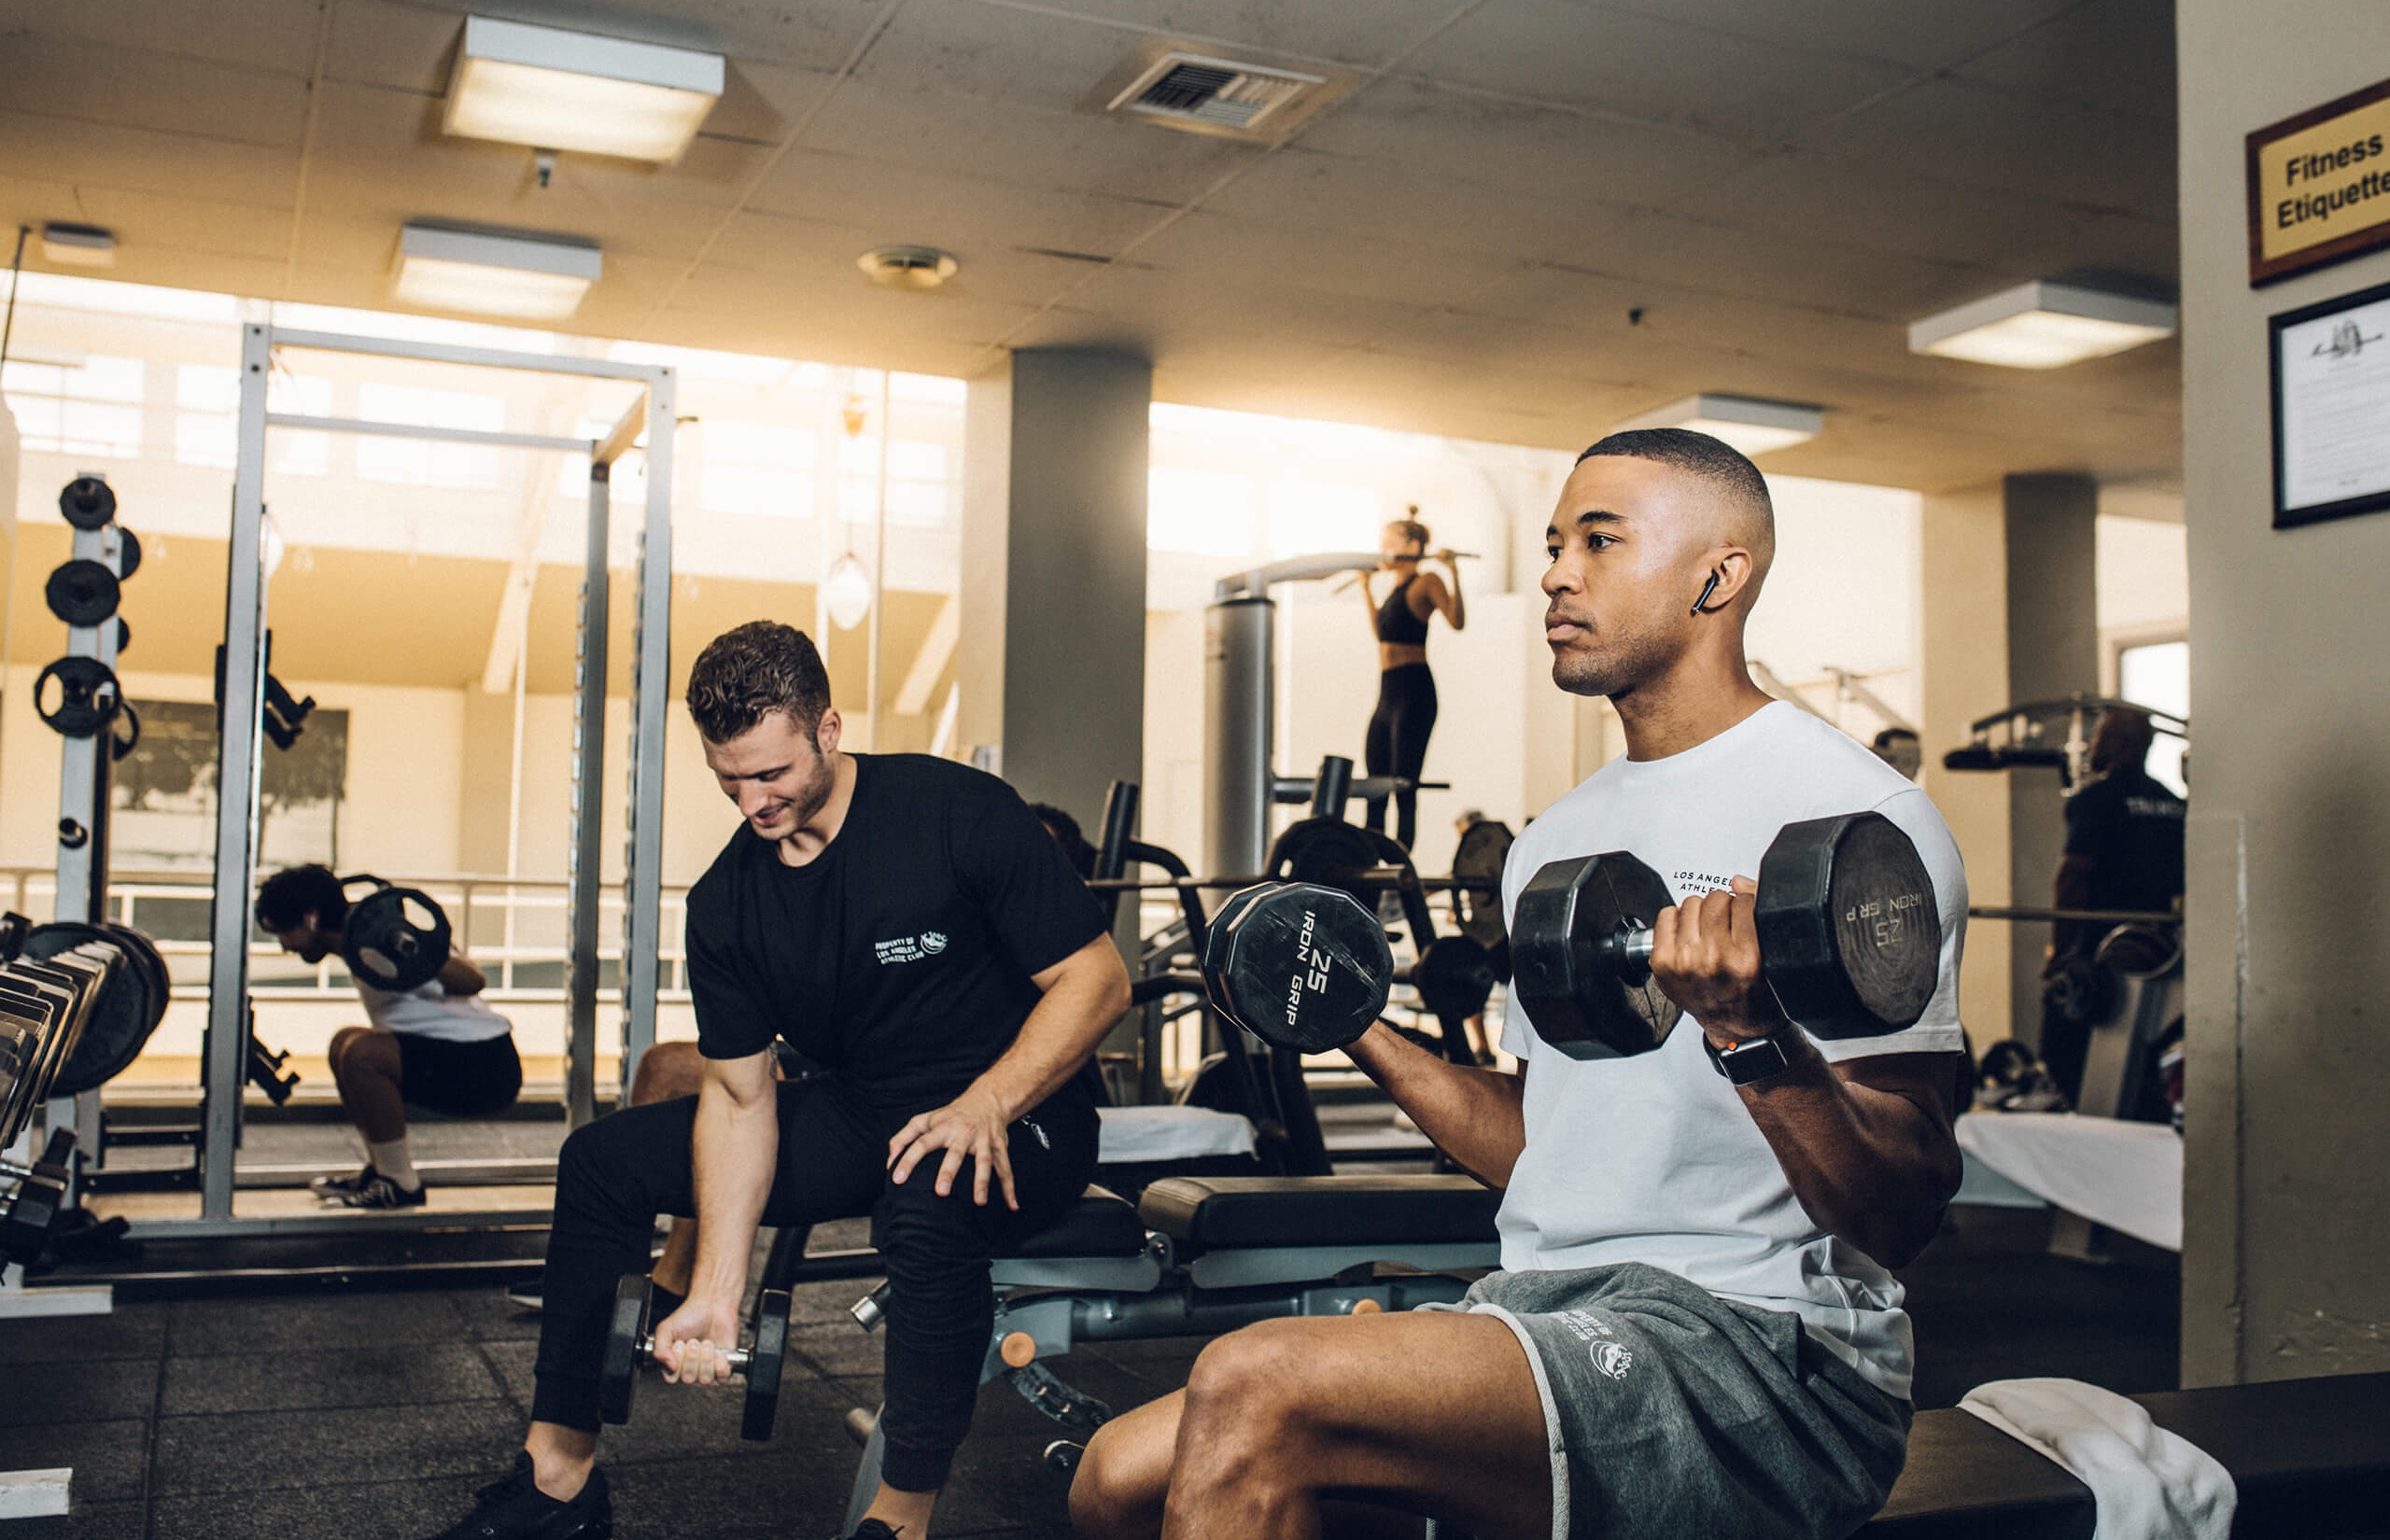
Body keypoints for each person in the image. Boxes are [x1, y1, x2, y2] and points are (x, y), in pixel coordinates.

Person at [1071, 428, 1968, 1540]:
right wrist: (1354, 1021)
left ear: (1718, 576)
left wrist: (1750, 1036)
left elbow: (1903, 1212)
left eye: (1599, 541)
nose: (1554, 575)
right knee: (1116, 1480)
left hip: (1765, 1349)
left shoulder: (1860, 822)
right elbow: (1546, 1149)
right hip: (1549, 1305)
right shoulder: (1558, 838)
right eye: (1552, 546)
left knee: (1255, 1383)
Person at [429, 620, 1130, 1540]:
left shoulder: (955, 810)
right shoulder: (728, 904)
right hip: (866, 1106)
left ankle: (899, 1518)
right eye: (729, 780)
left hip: (1023, 1111)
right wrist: (718, 1290)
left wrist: (985, 1102)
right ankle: (557, 1477)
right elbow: (738, 1099)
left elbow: (1096, 981)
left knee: (927, 1190)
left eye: (771, 774)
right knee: (600, 1162)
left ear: (827, 730)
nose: (753, 802)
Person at [255, 865, 522, 1210]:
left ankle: (400, 1184)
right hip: (445, 1055)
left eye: (284, 932)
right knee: (343, 1043)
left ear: (310, 918)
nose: (284, 946)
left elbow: (473, 981)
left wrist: (415, 949)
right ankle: (383, 1171)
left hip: (484, 1065)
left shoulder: (384, 935)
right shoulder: (356, 938)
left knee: (361, 1054)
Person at [2038, 706, 2186, 1102]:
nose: (2091, 746)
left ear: (2119, 744)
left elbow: (2073, 877)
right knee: (2146, 1062)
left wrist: (2058, 953)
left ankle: (2074, 1120)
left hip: (2101, 953)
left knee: (2063, 1047)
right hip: (2159, 955)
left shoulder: (2095, 800)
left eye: (2099, 737)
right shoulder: (2174, 804)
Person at [1357, 510, 1465, 850]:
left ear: (1413, 547)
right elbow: (1381, 634)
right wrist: (1365, 587)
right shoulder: (1394, 590)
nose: (1384, 550)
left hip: (1413, 691)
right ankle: (1369, 861)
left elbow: (1456, 620)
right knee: (1375, 784)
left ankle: (1399, 861)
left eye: (1390, 543)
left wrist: (1453, 571)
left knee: (1404, 785)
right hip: (1387, 691)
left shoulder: (1426, 582)